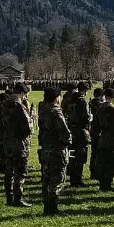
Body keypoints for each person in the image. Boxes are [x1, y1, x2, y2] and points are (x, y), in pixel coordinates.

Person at [38, 87, 71, 215]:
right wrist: (67, 141)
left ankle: (47, 206)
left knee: (46, 177)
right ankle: (53, 208)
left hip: (46, 147)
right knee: (57, 178)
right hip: (57, 149)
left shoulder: (43, 110)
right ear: (56, 97)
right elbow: (64, 132)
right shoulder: (56, 111)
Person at [3, 82, 33, 207]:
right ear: (22, 93)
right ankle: (18, 198)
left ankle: (9, 197)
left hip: (7, 141)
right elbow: (27, 126)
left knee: (9, 171)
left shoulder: (4, 104)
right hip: (19, 142)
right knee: (20, 172)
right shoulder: (19, 106)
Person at [97, 88, 114, 191]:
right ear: (113, 98)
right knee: (112, 163)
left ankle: (102, 184)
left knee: (103, 162)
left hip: (103, 137)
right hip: (113, 139)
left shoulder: (100, 107)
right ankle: (107, 185)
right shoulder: (113, 109)